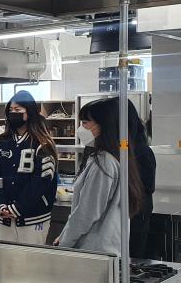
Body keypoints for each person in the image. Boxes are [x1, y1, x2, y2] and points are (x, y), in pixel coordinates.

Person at [56, 98, 145, 254]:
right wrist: (64, 235)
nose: (80, 128)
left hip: (94, 251)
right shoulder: (116, 157)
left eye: (85, 123)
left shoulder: (103, 162)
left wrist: (64, 243)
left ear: (102, 126)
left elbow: (86, 214)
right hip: (107, 249)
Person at [0, 91, 58, 244]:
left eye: (17, 110)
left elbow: (41, 182)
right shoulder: (1, 142)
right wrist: (0, 204)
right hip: (3, 218)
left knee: (30, 258)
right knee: (2, 258)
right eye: (11, 110)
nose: (13, 113)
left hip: (33, 219)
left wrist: (18, 208)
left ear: (29, 113)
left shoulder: (42, 143)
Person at [127, 99, 156, 259]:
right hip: (129, 217)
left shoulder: (141, 152)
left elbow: (148, 186)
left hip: (137, 217)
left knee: (133, 261)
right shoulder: (123, 149)